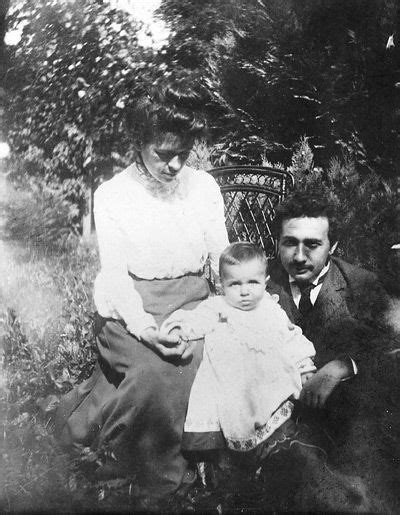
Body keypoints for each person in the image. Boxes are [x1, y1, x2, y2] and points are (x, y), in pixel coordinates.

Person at [55, 79, 229, 504]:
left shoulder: (203, 187)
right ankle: (158, 483)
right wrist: (147, 330)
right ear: (139, 142)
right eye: (163, 154)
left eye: (182, 155)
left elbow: (221, 256)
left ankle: (223, 464)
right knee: (158, 371)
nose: (174, 166)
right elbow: (114, 275)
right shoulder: (113, 196)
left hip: (194, 301)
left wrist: (225, 306)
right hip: (131, 307)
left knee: (218, 355)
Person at [162, 242, 316, 454]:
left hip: (272, 380)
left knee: (285, 411)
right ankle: (256, 455)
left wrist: (304, 364)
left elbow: (290, 336)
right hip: (238, 387)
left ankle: (286, 444)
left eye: (253, 282)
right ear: (222, 284)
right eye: (235, 284)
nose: (245, 291)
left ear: (265, 282)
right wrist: (179, 329)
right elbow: (194, 319)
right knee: (243, 418)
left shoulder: (271, 308)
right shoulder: (218, 307)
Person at [266, 192, 391, 438]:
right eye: (290, 243)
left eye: (312, 244)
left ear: (332, 246)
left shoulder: (360, 284)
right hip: (269, 424)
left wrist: (345, 365)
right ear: (277, 241)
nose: (300, 257)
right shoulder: (255, 283)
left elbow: (390, 348)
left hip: (343, 426)